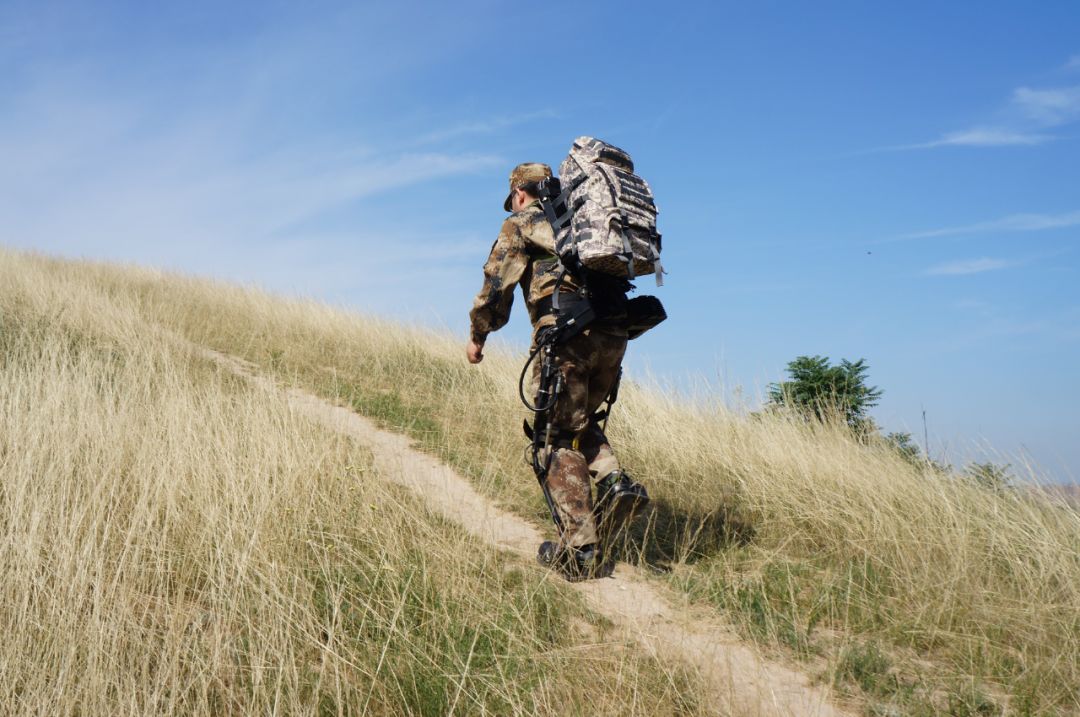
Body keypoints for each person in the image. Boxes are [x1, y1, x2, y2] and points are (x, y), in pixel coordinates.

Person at [466, 162, 646, 580]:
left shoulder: (523, 221)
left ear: (521, 194)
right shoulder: (587, 223)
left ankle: (580, 552)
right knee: (578, 422)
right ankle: (615, 479)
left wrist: (479, 335)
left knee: (555, 438)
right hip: (614, 336)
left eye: (513, 198)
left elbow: (497, 284)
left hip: (566, 337)